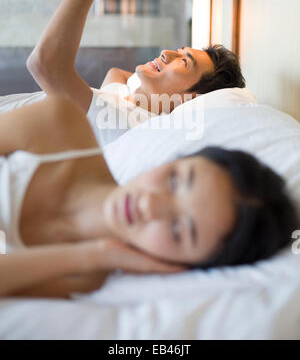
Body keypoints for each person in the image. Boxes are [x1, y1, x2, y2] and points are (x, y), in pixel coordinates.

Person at [0, 96, 296, 298]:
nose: (150, 205)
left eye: (179, 230)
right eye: (175, 181)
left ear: (181, 264)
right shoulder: (58, 124)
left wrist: (97, 255)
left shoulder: (84, 274)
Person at [0, 0, 245, 131]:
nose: (167, 53)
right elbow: (117, 73)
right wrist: (141, 89)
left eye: (184, 61)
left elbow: (44, 64)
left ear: (190, 99)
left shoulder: (127, 123)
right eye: (179, 50)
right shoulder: (126, 101)